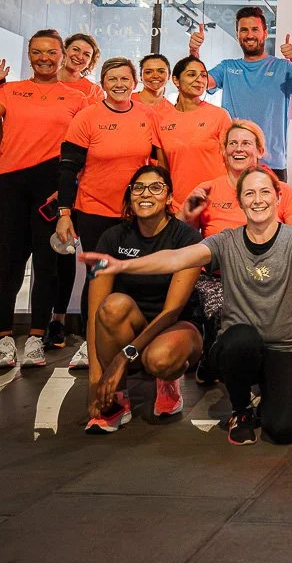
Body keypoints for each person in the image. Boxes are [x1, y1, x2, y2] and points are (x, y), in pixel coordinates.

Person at [87, 165, 292, 446]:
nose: (258, 199)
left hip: (285, 346)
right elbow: (174, 259)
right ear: (240, 202)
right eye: (250, 193)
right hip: (240, 346)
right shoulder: (225, 241)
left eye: (265, 192)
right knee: (240, 338)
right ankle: (241, 410)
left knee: (283, 430)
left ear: (278, 198)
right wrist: (123, 264)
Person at [0, 30, 89, 367]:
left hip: (50, 188)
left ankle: (36, 338)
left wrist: (69, 188)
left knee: (46, 265)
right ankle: (5, 338)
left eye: (51, 52)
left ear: (62, 55)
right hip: (9, 184)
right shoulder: (10, 89)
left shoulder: (78, 98)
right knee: (7, 265)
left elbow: (86, 148)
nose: (44, 58)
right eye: (37, 52)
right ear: (29, 54)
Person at [180, 120, 292, 382]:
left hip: (272, 275)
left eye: (246, 143)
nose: (238, 149)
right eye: (232, 143)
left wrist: (281, 250)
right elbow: (178, 239)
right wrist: (186, 215)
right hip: (221, 280)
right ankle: (214, 353)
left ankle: (284, 349)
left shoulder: (280, 191)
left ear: (260, 150)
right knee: (229, 325)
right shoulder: (207, 190)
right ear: (223, 151)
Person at [56, 57, 166, 369]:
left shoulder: (148, 115)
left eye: (124, 79)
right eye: (112, 79)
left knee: (132, 279)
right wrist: (65, 212)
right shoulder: (87, 117)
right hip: (93, 211)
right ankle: (90, 344)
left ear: (135, 83)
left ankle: (129, 345)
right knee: (99, 279)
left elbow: (159, 164)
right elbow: (67, 168)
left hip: (135, 213)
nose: (119, 84)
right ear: (103, 83)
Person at [82, 165, 204, 433]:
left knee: (159, 358)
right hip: (133, 325)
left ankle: (167, 380)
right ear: (129, 195)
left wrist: (123, 358)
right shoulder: (112, 237)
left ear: (169, 198)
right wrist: (95, 381)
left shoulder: (187, 238)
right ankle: (117, 400)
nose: (145, 194)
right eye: (138, 188)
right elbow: (94, 314)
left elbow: (172, 312)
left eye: (156, 187)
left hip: (175, 327)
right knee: (112, 307)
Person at [189, 6, 292, 175]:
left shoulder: (283, 67)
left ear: (265, 33)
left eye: (255, 29)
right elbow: (198, 82)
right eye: (244, 30)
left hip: (272, 164)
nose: (249, 35)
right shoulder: (227, 67)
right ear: (237, 35)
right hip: (234, 161)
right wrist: (194, 51)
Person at [156, 56, 232, 214]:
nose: (199, 80)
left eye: (203, 75)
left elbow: (233, 163)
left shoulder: (219, 116)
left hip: (216, 205)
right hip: (179, 207)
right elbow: (163, 170)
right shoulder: (162, 120)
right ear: (176, 80)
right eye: (191, 74)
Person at [60, 32, 102, 101]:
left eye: (86, 54)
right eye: (75, 49)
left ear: (90, 63)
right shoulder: (42, 81)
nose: (79, 57)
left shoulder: (95, 92)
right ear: (64, 51)